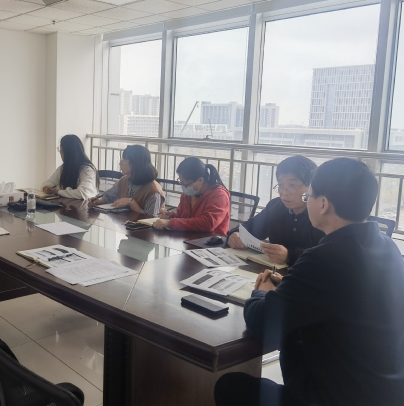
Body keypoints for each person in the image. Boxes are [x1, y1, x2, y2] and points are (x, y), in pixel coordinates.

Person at [214, 158, 404, 406]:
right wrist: (290, 287)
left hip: (339, 397)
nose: (305, 200)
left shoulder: (324, 258)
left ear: (323, 204)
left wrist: (262, 293)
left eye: (308, 196)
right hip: (385, 392)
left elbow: (262, 322)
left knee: (230, 387)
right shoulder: (389, 247)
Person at [227, 155, 324, 266]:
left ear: (311, 187)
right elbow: (250, 227)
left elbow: (327, 254)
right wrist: (235, 234)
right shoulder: (276, 206)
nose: (284, 192)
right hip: (273, 272)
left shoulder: (322, 214)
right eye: (281, 185)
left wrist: (289, 256)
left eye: (292, 185)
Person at [152, 157, 230, 234]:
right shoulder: (188, 194)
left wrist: (170, 223)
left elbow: (208, 223)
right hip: (188, 238)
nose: (184, 187)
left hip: (211, 240)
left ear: (200, 180)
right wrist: (170, 216)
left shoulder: (219, 195)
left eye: (185, 183)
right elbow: (182, 218)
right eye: (181, 182)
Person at [88, 145, 164, 217]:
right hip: (124, 224)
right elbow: (109, 196)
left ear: (135, 163)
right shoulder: (124, 180)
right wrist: (99, 200)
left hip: (139, 226)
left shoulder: (153, 192)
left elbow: (152, 219)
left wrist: (131, 202)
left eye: (124, 159)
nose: (120, 163)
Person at [42, 134, 99, 200]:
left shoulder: (87, 170)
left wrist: (58, 192)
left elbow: (82, 193)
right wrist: (45, 187)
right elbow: (48, 182)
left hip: (84, 205)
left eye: (61, 151)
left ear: (68, 153)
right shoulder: (63, 167)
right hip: (68, 204)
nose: (60, 154)